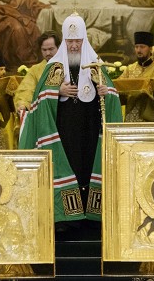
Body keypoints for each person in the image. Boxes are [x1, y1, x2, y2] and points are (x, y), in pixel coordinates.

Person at [18, 14, 122, 225]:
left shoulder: (94, 64)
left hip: (90, 128)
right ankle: (68, 219)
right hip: (64, 131)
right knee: (70, 165)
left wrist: (105, 91)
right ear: (64, 41)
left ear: (84, 40)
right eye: (70, 41)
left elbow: (111, 95)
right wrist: (58, 90)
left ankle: (92, 215)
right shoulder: (55, 67)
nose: (74, 46)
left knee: (88, 164)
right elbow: (40, 100)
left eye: (78, 41)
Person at [118, 31, 154, 122]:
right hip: (131, 118)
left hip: (152, 118)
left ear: (150, 49)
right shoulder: (129, 69)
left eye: (142, 47)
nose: (139, 50)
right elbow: (119, 87)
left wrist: (151, 85)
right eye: (136, 47)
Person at [14, 30, 61, 113]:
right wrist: (23, 104)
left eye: (51, 49)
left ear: (59, 47)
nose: (48, 53)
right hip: (44, 113)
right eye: (44, 50)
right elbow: (26, 89)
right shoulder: (35, 70)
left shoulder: (68, 66)